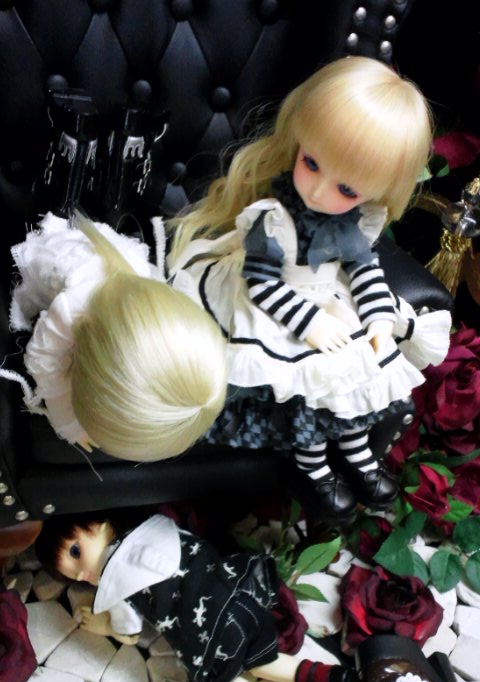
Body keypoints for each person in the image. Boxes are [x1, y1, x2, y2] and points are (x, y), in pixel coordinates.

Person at [169, 55, 452, 524]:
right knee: (309, 375)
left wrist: (379, 316)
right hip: (277, 301)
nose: (319, 192)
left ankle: (358, 454)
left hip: (329, 294)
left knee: (357, 371)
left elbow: (364, 268)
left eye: (347, 188)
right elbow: (261, 283)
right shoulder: (271, 220)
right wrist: (311, 321)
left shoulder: (356, 222)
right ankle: (311, 464)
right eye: (312, 163)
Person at [35, 510, 366, 682]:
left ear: (100, 524)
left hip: (207, 628)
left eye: (76, 552)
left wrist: (103, 625)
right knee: (255, 654)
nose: (84, 574)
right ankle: (326, 680)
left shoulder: (118, 580)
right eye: (75, 577)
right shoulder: (156, 528)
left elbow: (130, 632)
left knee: (218, 679)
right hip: (235, 593)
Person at [4, 213, 228, 462]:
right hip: (51, 253)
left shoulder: (150, 297)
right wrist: (67, 422)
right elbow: (43, 358)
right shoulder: (72, 311)